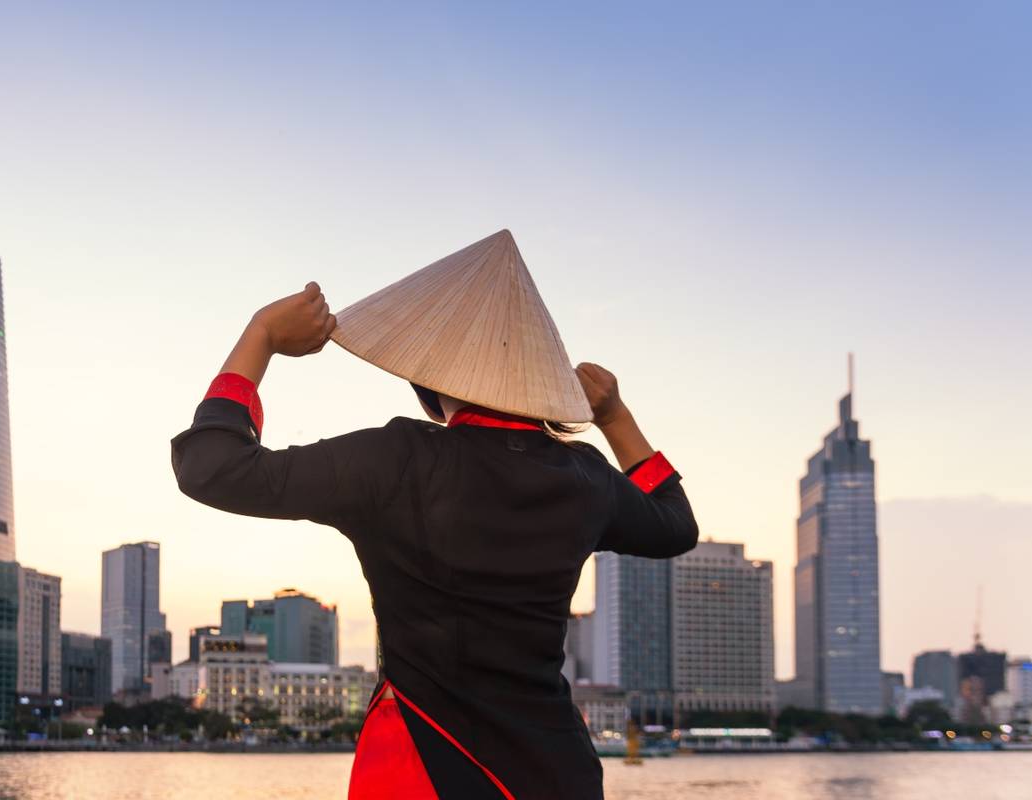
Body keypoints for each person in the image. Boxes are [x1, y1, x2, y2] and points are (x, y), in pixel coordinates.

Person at [170, 231, 697, 799]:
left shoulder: (399, 460)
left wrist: (263, 334)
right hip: (559, 772)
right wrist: (615, 417)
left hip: (432, 768)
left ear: (430, 382)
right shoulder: (586, 476)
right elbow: (676, 525)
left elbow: (212, 466)